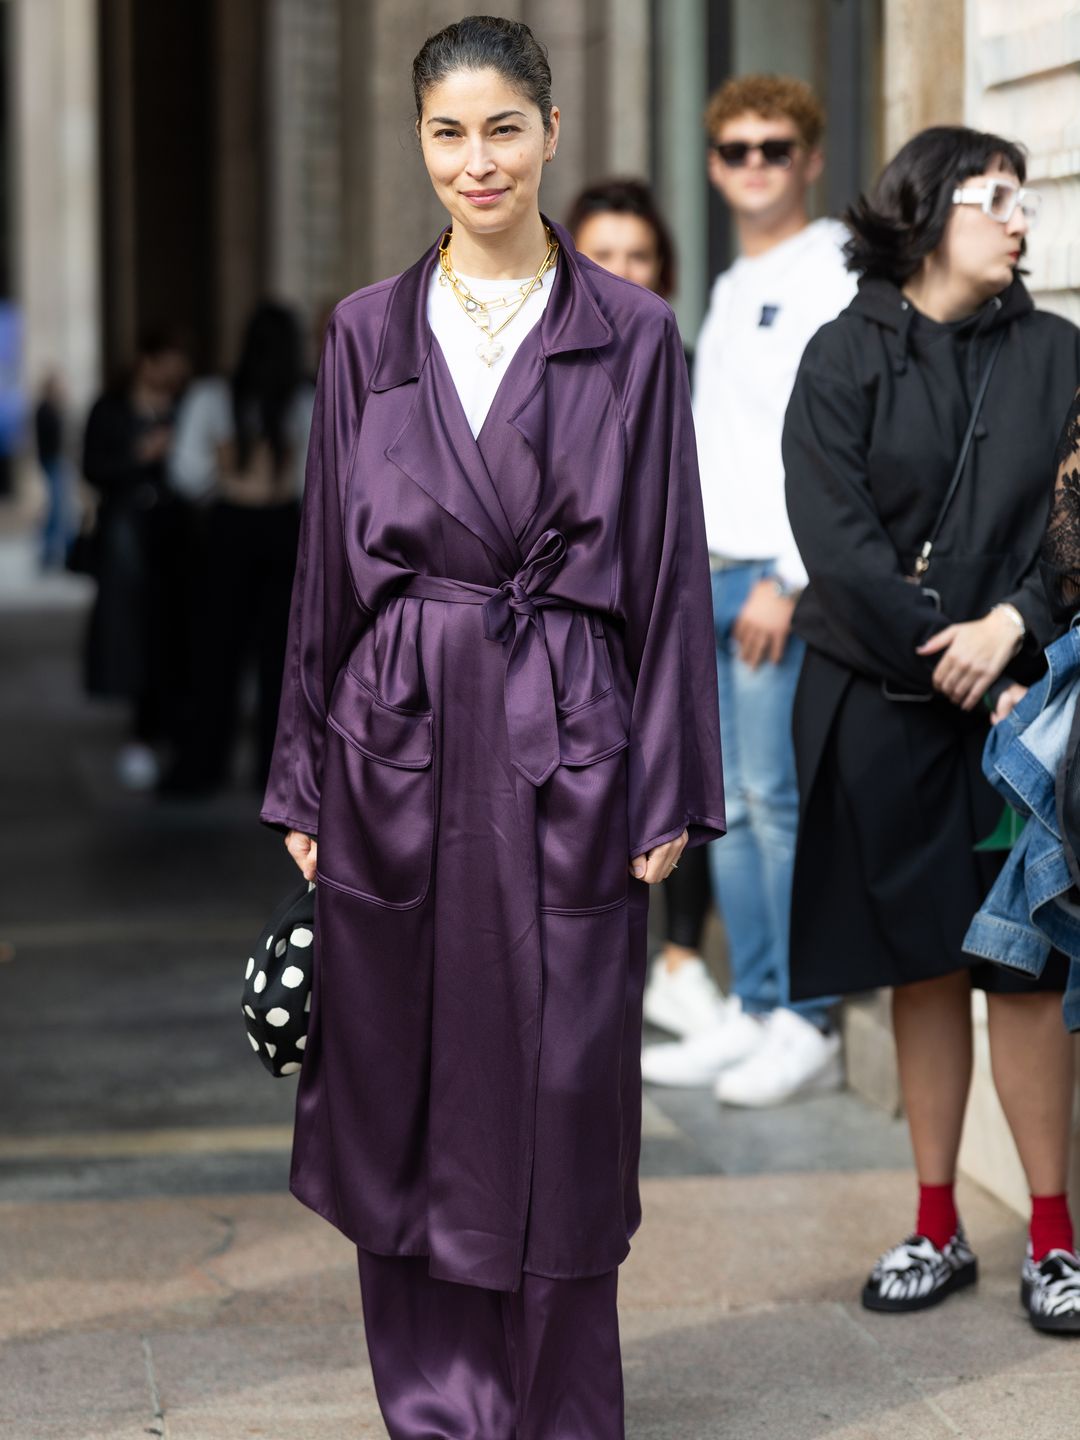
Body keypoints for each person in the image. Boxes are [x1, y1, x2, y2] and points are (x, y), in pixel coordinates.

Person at [261, 16, 725, 1438]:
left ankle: (562, 1407)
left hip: (566, 735)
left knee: (568, 1082)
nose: (479, 162)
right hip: (394, 738)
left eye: (504, 129)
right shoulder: (363, 333)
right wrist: (302, 776)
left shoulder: (632, 335)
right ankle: (439, 1408)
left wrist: (667, 785)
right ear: (421, 143)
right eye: (450, 134)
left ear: (552, 131)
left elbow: (666, 561)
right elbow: (323, 572)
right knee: (397, 1075)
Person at [782, 125, 1080, 1331]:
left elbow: (1078, 525)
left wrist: (1011, 629)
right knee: (923, 967)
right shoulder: (841, 356)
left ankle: (1054, 1239)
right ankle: (937, 1224)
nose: (1020, 219)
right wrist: (945, 650)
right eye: (994, 197)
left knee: (1026, 964)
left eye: (1024, 200)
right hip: (886, 708)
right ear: (925, 211)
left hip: (1026, 713)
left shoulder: (1061, 354)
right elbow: (836, 545)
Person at [641, 75, 855, 1101]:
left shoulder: (835, 271)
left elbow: (845, 445)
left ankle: (807, 1016)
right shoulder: (729, 284)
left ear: (810, 159)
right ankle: (755, 1003)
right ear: (716, 164)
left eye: (776, 148)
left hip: (778, 582)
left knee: (778, 800)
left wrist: (792, 574)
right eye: (736, 150)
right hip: (709, 575)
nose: (756, 166)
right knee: (725, 804)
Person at [568, 176, 719, 1037]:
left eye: (640, 257)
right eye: (603, 256)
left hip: (657, 606)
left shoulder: (672, 357)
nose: (622, 273)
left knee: (677, 781)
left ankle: (682, 954)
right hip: (570, 637)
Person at [164, 302, 314, 795]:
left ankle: (203, 763)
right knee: (282, 658)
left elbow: (185, 475)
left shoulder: (213, 397)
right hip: (284, 531)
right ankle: (276, 774)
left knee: (215, 654)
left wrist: (222, 474)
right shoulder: (305, 400)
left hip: (228, 530)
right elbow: (321, 477)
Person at [82, 330, 190, 789]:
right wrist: (141, 455)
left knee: (172, 630)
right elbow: (92, 467)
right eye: (169, 360)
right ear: (148, 361)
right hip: (127, 535)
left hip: (174, 536)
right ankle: (143, 729)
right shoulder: (110, 409)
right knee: (131, 630)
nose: (176, 371)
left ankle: (167, 725)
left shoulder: (183, 407)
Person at [35, 372, 75, 569]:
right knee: (57, 509)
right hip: (53, 461)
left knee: (59, 509)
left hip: (56, 461)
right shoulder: (45, 409)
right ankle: (49, 552)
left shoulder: (50, 409)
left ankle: (55, 552)